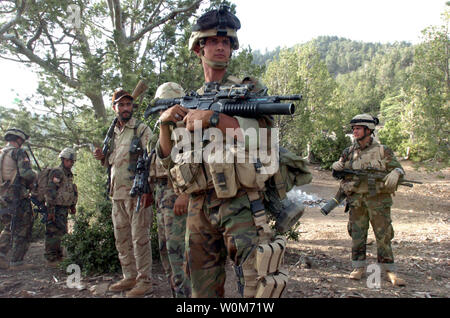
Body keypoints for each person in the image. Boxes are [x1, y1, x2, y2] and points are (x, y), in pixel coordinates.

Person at [156, 5, 287, 298]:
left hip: (240, 202)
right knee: (200, 291)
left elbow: (264, 141)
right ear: (198, 49)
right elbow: (168, 160)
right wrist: (164, 126)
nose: (220, 47)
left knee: (257, 287)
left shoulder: (249, 92)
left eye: (225, 42)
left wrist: (214, 119)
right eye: (212, 41)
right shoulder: (189, 99)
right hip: (198, 206)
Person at [331, 114, 406, 286]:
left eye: (358, 128)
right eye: (353, 128)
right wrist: (336, 168)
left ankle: (389, 270)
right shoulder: (348, 152)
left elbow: (398, 169)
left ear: (368, 130)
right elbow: (340, 172)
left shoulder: (382, 150)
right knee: (357, 234)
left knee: (384, 235)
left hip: (378, 200)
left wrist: (396, 173)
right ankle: (358, 267)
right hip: (356, 201)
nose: (354, 131)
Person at [93, 88, 153, 297]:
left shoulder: (141, 129)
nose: (126, 108)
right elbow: (110, 163)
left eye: (129, 104)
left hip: (136, 194)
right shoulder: (113, 133)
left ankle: (144, 281)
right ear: (114, 107)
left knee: (140, 238)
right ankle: (129, 276)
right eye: (121, 105)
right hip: (116, 195)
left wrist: (148, 190)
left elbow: (151, 159)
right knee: (122, 239)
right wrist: (101, 156)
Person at [150, 82, 191, 298]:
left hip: (178, 196)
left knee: (179, 255)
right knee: (165, 251)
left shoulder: (188, 127)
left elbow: (196, 164)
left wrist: (185, 194)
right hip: (161, 197)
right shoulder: (162, 126)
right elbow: (158, 159)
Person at [0, 128, 36, 270]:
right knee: (24, 226)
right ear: (19, 139)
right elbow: (26, 174)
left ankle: (1, 255)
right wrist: (36, 177)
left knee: (9, 226)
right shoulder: (18, 152)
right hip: (17, 195)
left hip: (3, 195)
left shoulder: (2, 152)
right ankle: (17, 261)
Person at [44, 147, 78, 267]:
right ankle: (51, 258)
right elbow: (51, 191)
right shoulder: (57, 172)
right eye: (69, 160)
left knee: (61, 232)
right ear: (63, 159)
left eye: (72, 161)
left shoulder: (68, 174)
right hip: (55, 208)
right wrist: (51, 210)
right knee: (53, 232)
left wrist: (72, 205)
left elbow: (70, 191)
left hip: (63, 208)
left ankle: (58, 256)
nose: (71, 163)